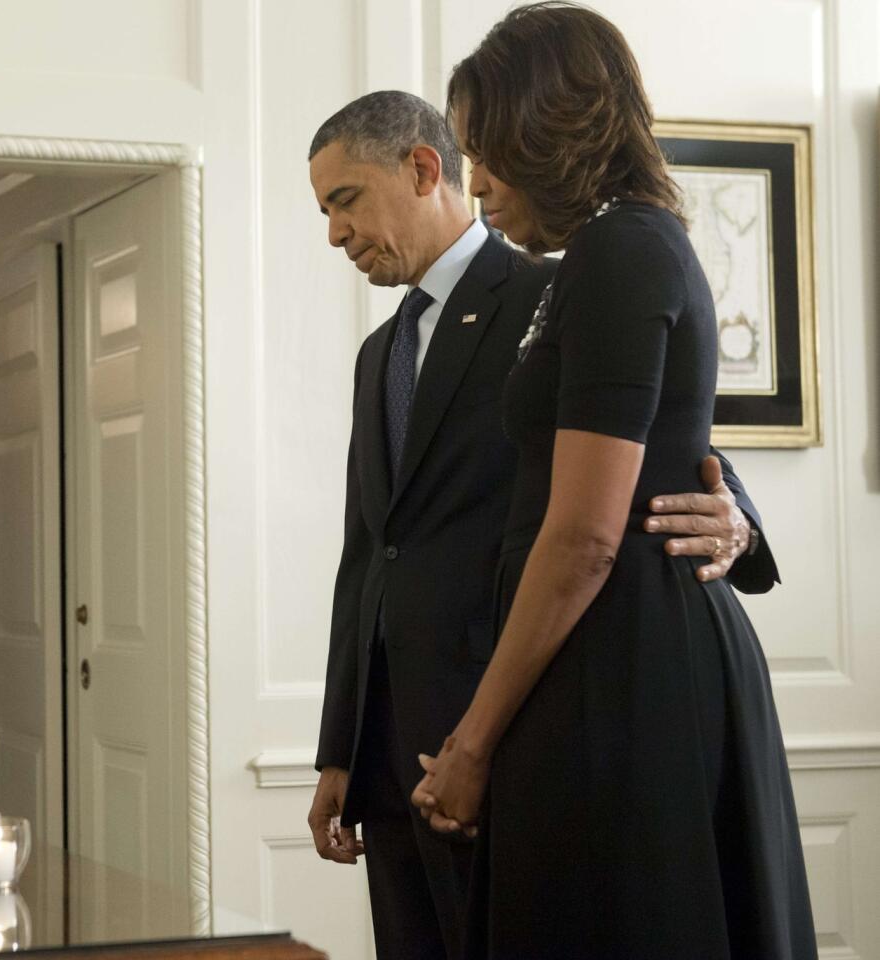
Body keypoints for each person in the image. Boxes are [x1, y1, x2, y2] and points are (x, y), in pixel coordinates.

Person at [306, 91, 781, 960]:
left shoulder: (554, 285)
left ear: (420, 168)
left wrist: (738, 520)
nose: (335, 233)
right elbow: (370, 554)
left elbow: (671, 446)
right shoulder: (379, 354)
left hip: (510, 732)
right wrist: (340, 748)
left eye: (345, 201)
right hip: (391, 756)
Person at [411, 6, 817, 958]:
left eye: (487, 150)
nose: (479, 181)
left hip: (624, 666)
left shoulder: (622, 250)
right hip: (599, 656)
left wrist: (473, 746)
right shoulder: (599, 254)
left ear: (547, 127)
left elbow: (589, 535)